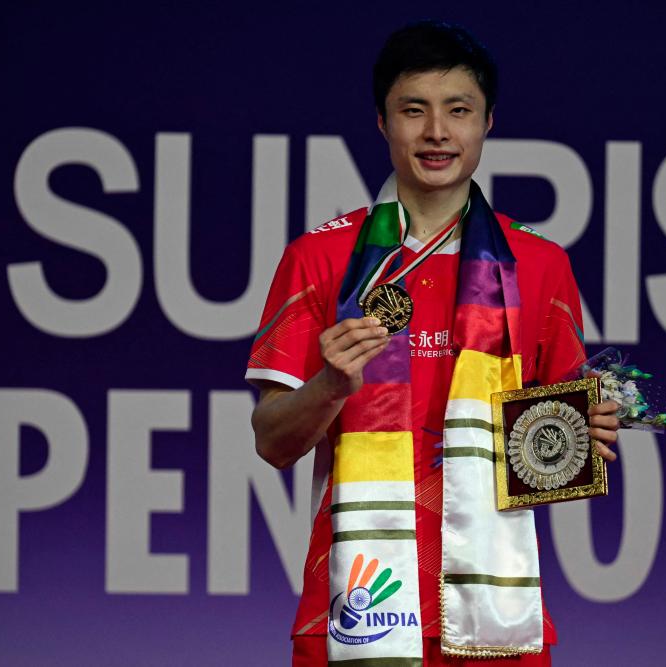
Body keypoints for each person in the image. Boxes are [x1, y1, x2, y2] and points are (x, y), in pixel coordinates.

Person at [246, 20, 621, 666]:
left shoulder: (538, 264)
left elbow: (552, 460)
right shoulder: (321, 258)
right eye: (413, 110)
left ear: (487, 123)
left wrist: (579, 438)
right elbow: (273, 441)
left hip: (495, 619)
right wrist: (332, 385)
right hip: (352, 612)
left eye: (459, 111)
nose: (437, 132)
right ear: (382, 122)